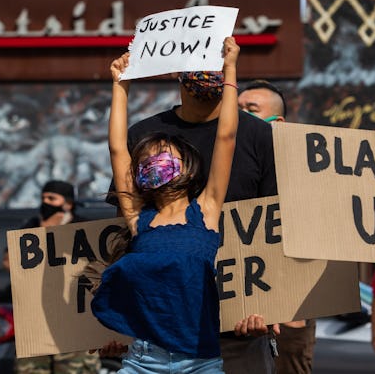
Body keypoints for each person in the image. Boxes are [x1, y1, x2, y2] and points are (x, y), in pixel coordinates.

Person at [102, 47, 279, 373]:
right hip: (145, 357)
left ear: (189, 168)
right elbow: (116, 148)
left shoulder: (207, 211)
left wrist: (230, 70)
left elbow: (226, 136)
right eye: (148, 159)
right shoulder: (139, 221)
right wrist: (120, 84)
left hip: (201, 358)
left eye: (166, 156)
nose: (156, 160)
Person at [238, 80, 317, 374]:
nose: (240, 116)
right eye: (237, 109)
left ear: (278, 122)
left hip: (289, 307)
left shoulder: (304, 171)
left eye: (251, 110)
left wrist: (295, 315)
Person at [16, 180, 100, 374]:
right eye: (43, 197)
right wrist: (43, 231)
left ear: (68, 203)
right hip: (37, 322)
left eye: (51, 198)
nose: (45, 202)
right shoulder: (30, 225)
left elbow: (96, 266)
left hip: (75, 323)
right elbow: (9, 262)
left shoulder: (83, 226)